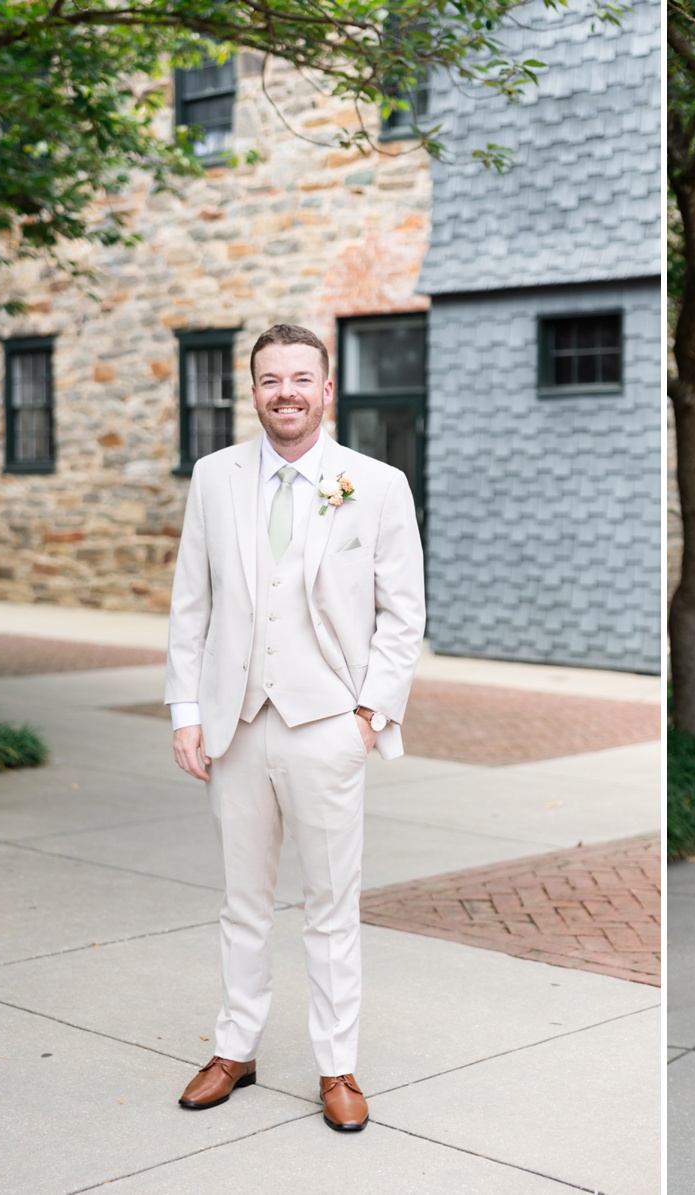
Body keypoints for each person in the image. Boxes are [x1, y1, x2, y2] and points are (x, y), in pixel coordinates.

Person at [164, 323, 425, 1132]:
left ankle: (336, 1065)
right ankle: (234, 1049)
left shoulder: (375, 484)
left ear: (327, 389)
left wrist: (366, 717)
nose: (286, 392)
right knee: (242, 901)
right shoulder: (213, 477)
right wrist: (186, 710)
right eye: (270, 379)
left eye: (301, 378)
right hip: (236, 725)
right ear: (253, 391)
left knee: (329, 903)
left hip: (326, 727)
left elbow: (401, 613)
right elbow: (192, 602)